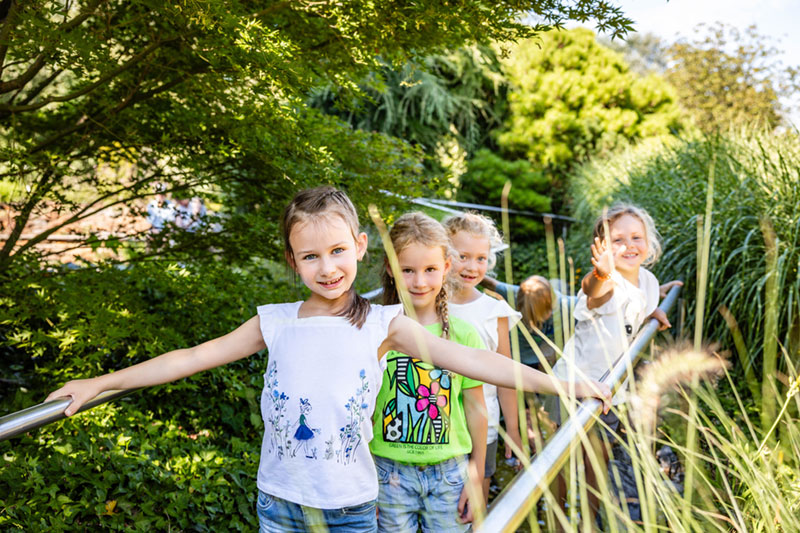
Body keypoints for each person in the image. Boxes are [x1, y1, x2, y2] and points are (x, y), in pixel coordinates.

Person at [46, 186, 611, 532]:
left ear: (361, 247)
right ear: (293, 261)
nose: (328, 267)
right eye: (311, 256)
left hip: (353, 509)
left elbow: (474, 362)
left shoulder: (383, 324)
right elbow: (193, 356)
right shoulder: (276, 321)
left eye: (338, 251)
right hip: (281, 505)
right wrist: (102, 382)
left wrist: (567, 385)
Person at [550, 203, 681, 525]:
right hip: (575, 386)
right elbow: (595, 294)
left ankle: (587, 521)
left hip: (609, 391)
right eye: (618, 240)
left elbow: (640, 307)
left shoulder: (648, 281)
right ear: (603, 247)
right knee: (566, 459)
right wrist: (600, 273)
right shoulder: (605, 281)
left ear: (649, 243)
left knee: (599, 460)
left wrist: (653, 313)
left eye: (637, 237)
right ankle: (553, 514)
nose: (629, 245)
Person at [372, 212, 487, 532]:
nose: (420, 282)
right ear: (390, 268)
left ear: (446, 268)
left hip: (450, 475)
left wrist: (475, 477)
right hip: (387, 474)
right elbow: (362, 409)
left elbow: (477, 409)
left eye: (430, 270)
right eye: (407, 270)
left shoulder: (464, 334)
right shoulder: (376, 331)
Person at [443, 212, 524, 504]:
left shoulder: (494, 311)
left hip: (483, 423)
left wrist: (512, 429)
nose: (472, 267)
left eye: (481, 258)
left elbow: (507, 376)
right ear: (444, 253)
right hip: (436, 425)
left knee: (476, 498)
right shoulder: (427, 303)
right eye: (463, 256)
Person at [480, 274, 576, 369]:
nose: (548, 314)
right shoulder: (514, 296)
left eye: (550, 309)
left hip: (543, 360)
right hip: (514, 359)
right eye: (541, 312)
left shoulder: (568, 305)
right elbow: (491, 284)